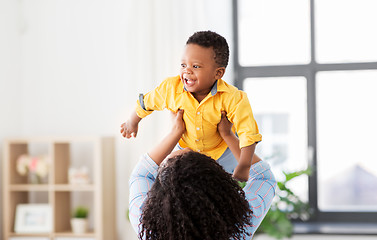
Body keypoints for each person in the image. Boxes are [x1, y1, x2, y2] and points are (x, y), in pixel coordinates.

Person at [121, 31, 261, 181]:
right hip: (186, 150)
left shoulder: (233, 97)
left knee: (220, 191)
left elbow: (249, 133)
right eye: (183, 65)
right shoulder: (171, 89)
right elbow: (147, 103)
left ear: (218, 73)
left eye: (195, 66)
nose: (186, 70)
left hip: (222, 152)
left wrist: (244, 166)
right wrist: (133, 121)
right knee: (175, 183)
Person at [128, 109, 276, 240]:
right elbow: (264, 178)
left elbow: (141, 175)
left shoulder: (146, 226)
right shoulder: (240, 225)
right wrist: (228, 135)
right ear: (220, 183)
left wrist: (174, 133)